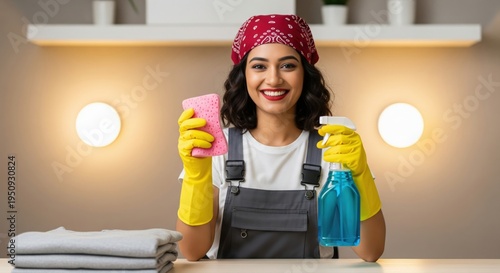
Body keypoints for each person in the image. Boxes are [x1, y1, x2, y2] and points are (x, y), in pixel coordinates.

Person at [176, 14, 386, 261]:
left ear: (305, 74)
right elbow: (192, 251)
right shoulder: (217, 148)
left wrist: (360, 175)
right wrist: (196, 177)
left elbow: (370, 251)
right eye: (259, 66)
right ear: (244, 76)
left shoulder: (333, 148)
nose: (274, 79)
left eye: (288, 65)